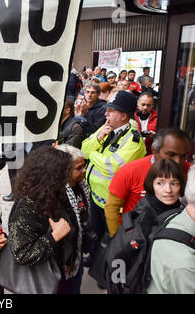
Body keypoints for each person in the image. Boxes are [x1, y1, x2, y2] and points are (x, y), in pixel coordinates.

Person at [81, 90, 146, 249]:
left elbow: (111, 167)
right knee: (96, 235)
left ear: (124, 116)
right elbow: (83, 149)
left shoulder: (133, 141)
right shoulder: (107, 127)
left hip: (113, 205)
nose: (106, 114)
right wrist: (98, 137)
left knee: (112, 242)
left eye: (111, 111)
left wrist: (93, 153)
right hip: (95, 197)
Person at [8, 146, 76, 294]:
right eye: (65, 173)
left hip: (62, 269)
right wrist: (54, 237)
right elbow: (22, 254)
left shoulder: (56, 192)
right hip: (43, 280)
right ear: (52, 177)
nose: (69, 176)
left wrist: (70, 259)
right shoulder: (25, 209)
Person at [105, 127, 192, 237]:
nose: (178, 161)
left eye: (184, 156)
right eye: (171, 155)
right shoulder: (130, 171)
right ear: (155, 150)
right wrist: (120, 240)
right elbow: (112, 208)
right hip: (137, 240)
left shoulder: (191, 172)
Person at [147, 164, 195, 294]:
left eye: (174, 183)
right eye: (160, 183)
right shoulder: (183, 267)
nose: (168, 190)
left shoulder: (177, 211)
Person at [56, 144, 92, 294]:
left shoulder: (80, 185)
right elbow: (63, 234)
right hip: (65, 260)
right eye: (79, 168)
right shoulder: (57, 195)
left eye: (84, 166)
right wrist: (69, 260)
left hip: (77, 251)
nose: (84, 170)